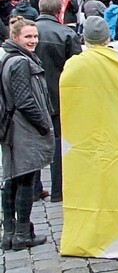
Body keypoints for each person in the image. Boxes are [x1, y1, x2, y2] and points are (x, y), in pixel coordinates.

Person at [1, 17, 55, 250]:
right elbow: (25, 100)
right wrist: (44, 125)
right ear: (15, 38)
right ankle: (21, 233)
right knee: (25, 179)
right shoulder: (20, 62)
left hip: (14, 128)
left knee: (12, 179)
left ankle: (9, 233)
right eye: (28, 37)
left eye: (35, 36)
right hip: (23, 129)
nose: (33, 40)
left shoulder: (10, 57)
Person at [33, 0, 81, 203]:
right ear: (59, 10)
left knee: (32, 142)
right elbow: (78, 68)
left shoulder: (27, 32)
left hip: (32, 97)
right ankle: (57, 190)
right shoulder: (66, 34)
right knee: (57, 144)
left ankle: (34, 188)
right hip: (58, 97)